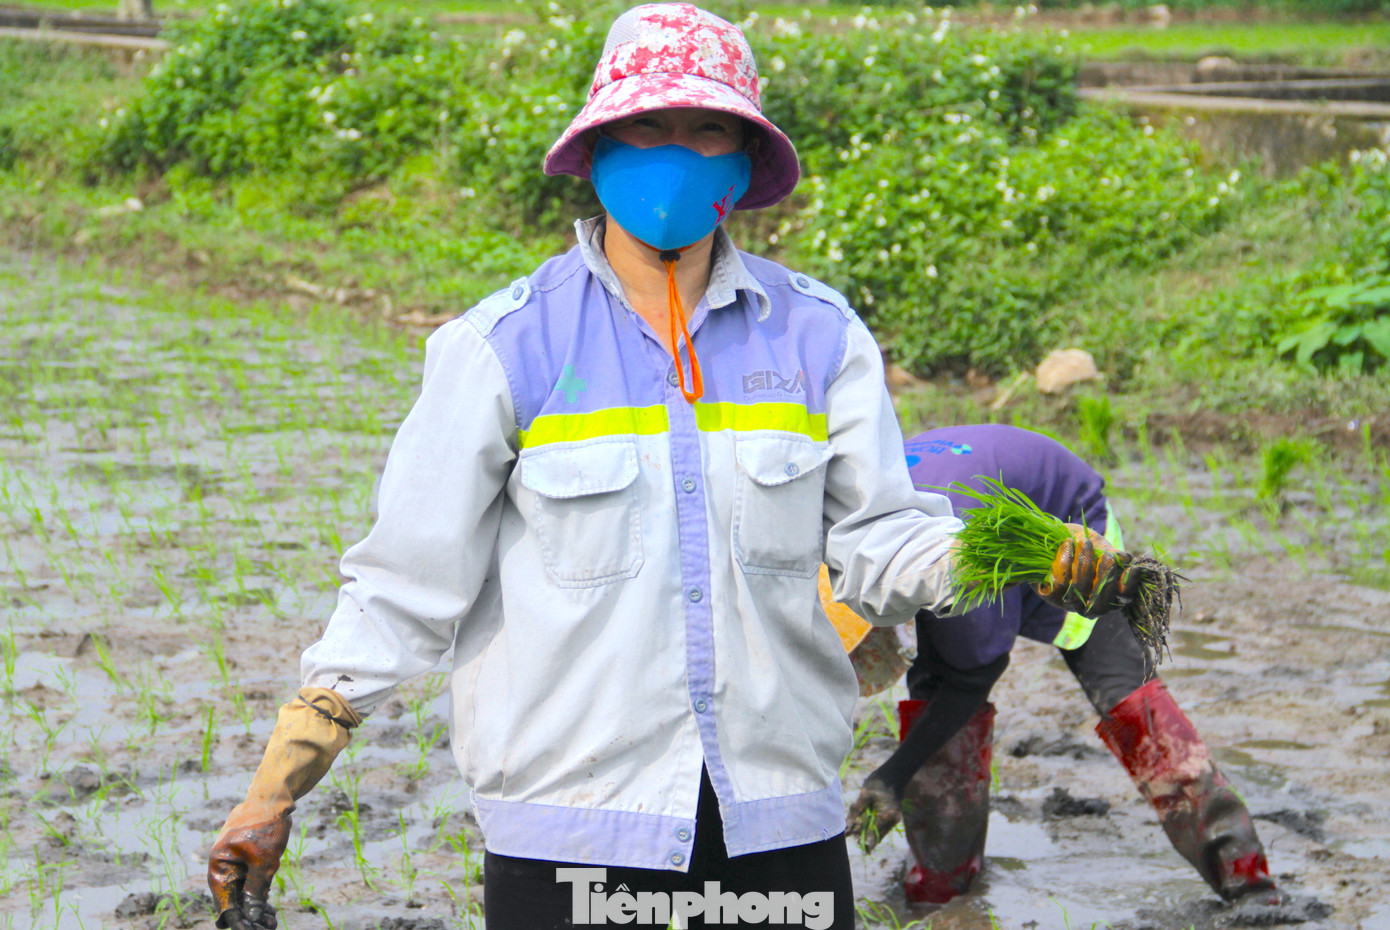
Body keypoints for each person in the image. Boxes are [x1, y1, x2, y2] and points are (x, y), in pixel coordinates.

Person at [204, 10, 1137, 930]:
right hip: (568, 833)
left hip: (775, 823)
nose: (676, 155)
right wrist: (277, 785)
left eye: (706, 130)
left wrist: (997, 554)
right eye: (648, 127)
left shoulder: (817, 336)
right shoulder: (502, 348)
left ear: (742, 160)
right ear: (600, 145)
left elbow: (878, 542)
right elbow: (403, 590)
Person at [843, 424, 1279, 907]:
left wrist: (891, 775)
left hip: (1065, 531)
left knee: (1123, 694)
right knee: (932, 688)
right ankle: (939, 891)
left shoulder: (953, 560)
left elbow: (976, 673)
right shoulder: (848, 537)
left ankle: (1247, 882)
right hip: (955, 527)